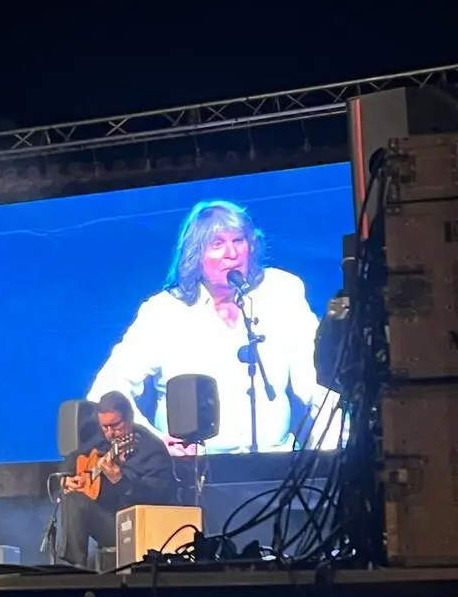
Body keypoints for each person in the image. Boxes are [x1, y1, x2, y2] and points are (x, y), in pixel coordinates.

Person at [87, 200, 341, 456]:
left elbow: (319, 384)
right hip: (191, 474)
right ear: (195, 256)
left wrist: (328, 459)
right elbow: (107, 390)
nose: (231, 253)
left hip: (276, 466)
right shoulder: (164, 312)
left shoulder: (281, 292)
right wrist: (153, 444)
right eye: (217, 244)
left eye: (239, 241)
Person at [58, 391, 179, 568]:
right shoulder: (102, 440)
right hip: (110, 521)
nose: (110, 433)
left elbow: (156, 497)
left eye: (115, 426)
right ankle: (74, 568)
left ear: (129, 418)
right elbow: (73, 457)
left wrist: (119, 480)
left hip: (139, 527)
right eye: (104, 427)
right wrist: (66, 477)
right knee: (73, 498)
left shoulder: (153, 450)